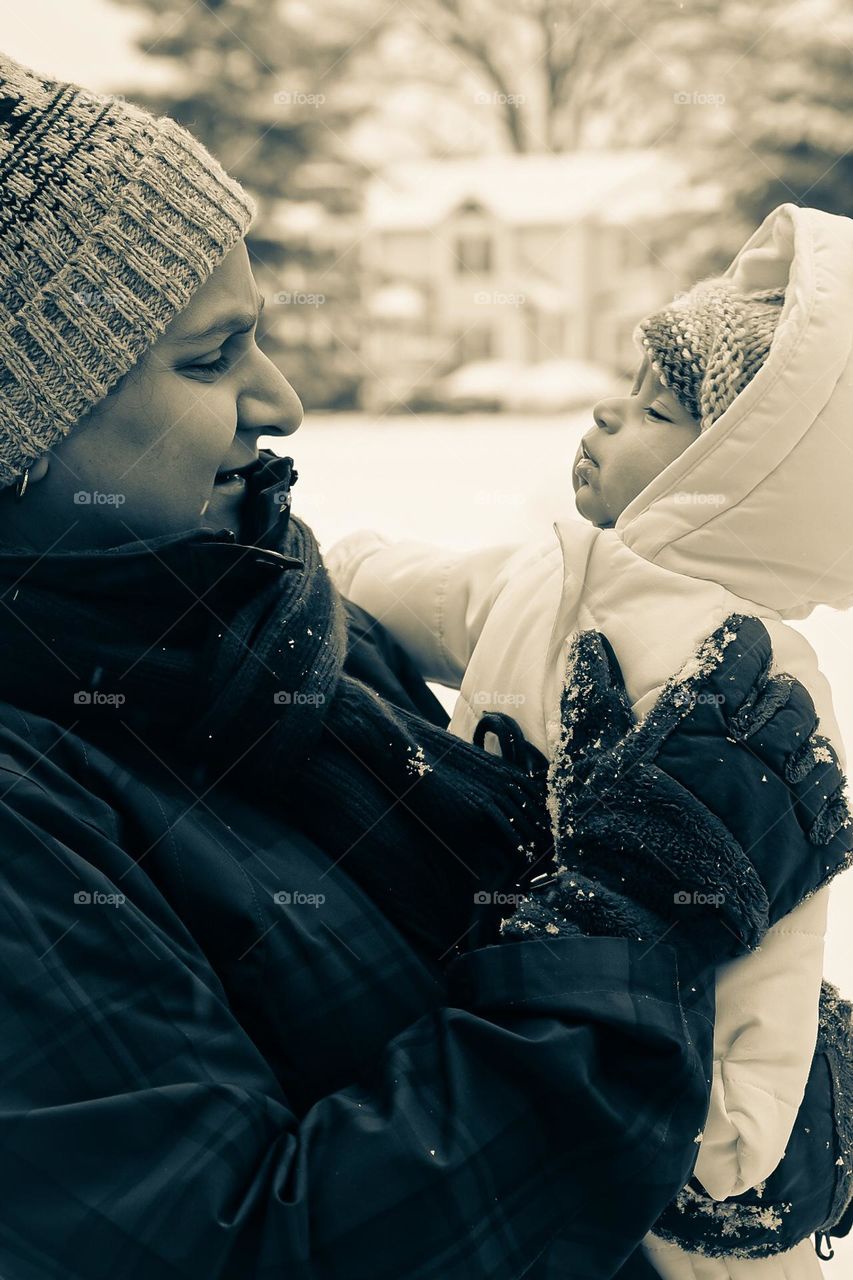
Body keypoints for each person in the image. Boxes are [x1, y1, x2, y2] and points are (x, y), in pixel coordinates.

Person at [0, 51, 847, 1280]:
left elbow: (509, 966)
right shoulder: (34, 822)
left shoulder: (278, 633)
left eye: (259, 338)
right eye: (207, 356)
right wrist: (645, 914)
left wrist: (774, 1084)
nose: (281, 399)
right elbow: (268, 1248)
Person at [326, 205, 853, 1276]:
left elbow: (770, 931)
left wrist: (731, 1141)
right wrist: (307, 555)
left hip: (682, 1126)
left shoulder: (752, 672)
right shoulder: (552, 571)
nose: (608, 415)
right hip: (529, 1014)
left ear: (736, 476)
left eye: (657, 408)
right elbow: (408, 585)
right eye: (628, 387)